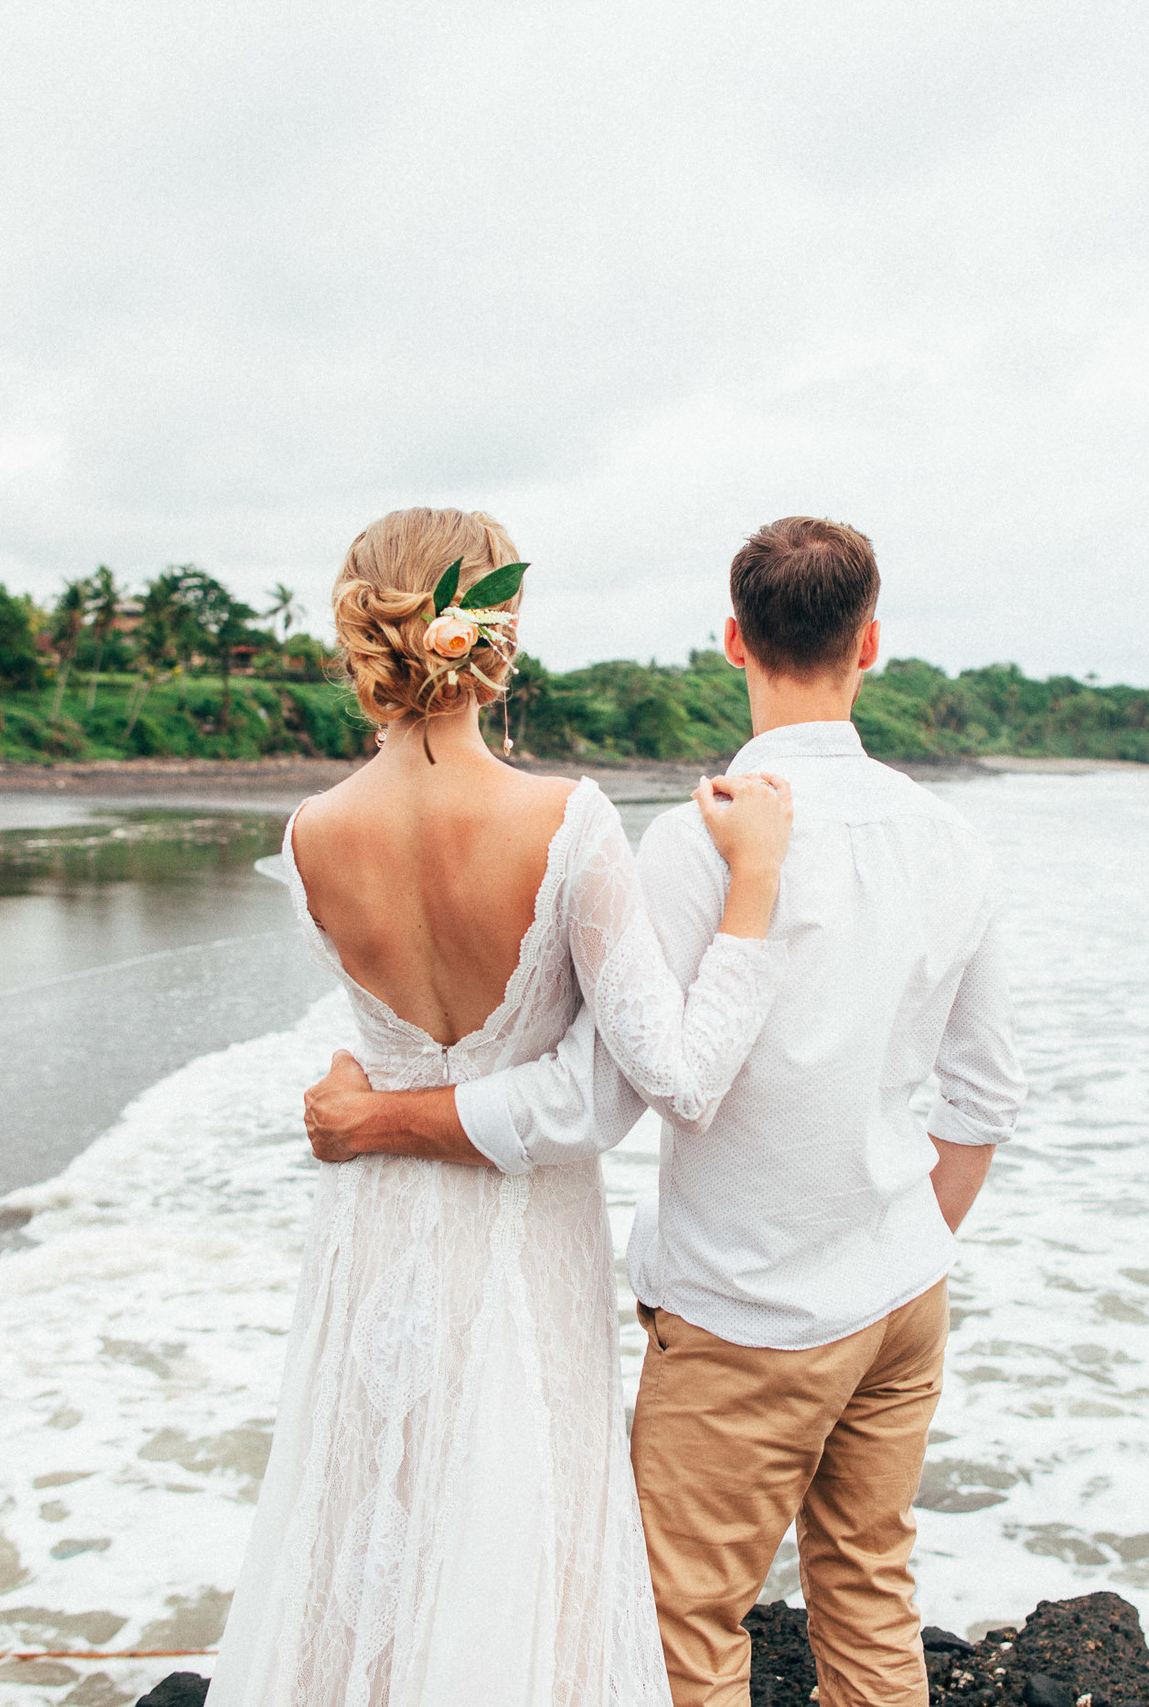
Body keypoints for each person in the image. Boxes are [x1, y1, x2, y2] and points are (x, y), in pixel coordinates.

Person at [305, 515, 1026, 1707]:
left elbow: (615, 1088)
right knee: (868, 1589)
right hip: (903, 1293)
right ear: (873, 643)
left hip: (748, 1308)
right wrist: (900, 1244)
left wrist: (379, 1118)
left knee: (678, 1626)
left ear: (733, 640)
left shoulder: (699, 844)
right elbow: (987, 1095)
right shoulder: (950, 839)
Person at [211, 507, 796, 1707]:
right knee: (513, 1526)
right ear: (499, 632)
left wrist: (359, 1104)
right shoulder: (565, 821)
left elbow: (380, 1037)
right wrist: (756, 894)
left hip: (369, 1228)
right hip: (518, 1238)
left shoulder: (312, 835)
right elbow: (674, 1075)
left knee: (368, 1520)